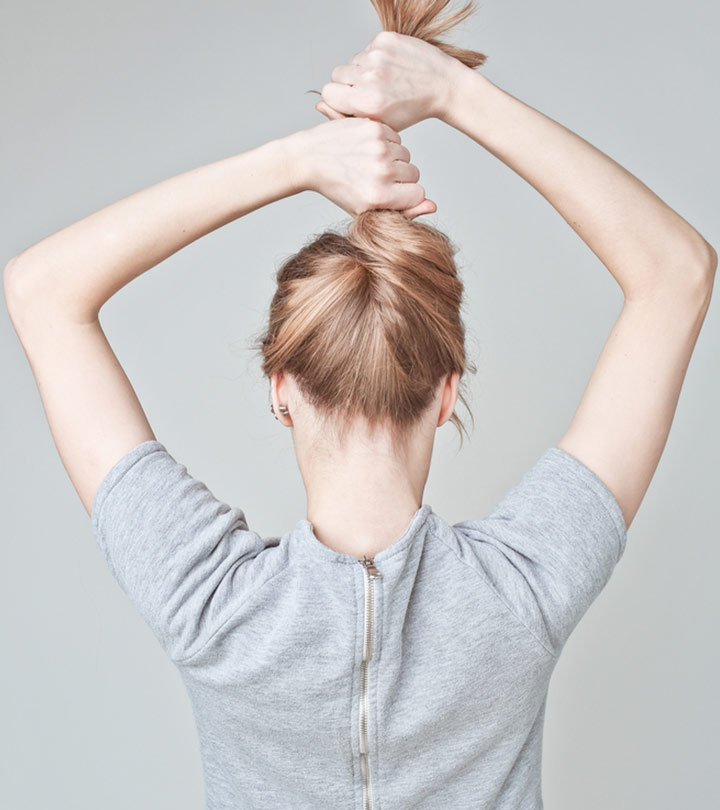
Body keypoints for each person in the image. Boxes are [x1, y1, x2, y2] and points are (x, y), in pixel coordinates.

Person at [4, 1, 716, 808]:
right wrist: (455, 94)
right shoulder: (524, 589)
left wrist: (299, 160)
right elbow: (676, 271)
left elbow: (41, 289)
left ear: (282, 392)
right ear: (447, 394)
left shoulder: (205, 601)